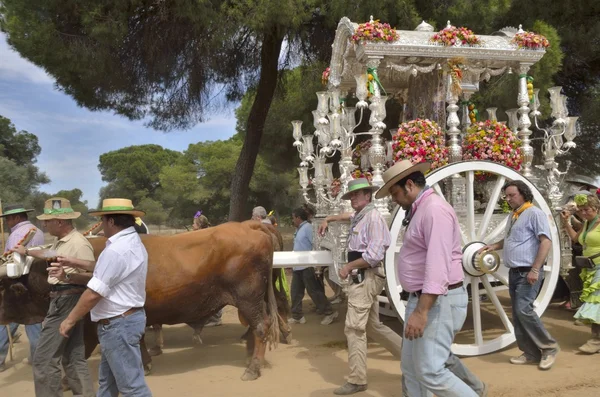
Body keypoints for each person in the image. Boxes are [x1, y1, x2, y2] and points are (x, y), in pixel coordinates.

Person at [376, 160, 485, 397]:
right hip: (423, 300)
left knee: (430, 371)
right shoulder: (420, 210)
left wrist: (421, 311)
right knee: (412, 369)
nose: (394, 199)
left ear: (409, 185)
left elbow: (438, 266)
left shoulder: (434, 210)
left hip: (437, 302)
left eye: (395, 193)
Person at [318, 178, 403, 395]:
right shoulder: (360, 215)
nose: (352, 198)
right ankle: (412, 358)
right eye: (351, 196)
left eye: (356, 195)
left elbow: (374, 255)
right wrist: (329, 218)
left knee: (354, 328)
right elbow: (347, 216)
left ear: (368, 195)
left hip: (365, 276)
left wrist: (348, 267)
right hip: (364, 277)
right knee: (374, 326)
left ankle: (357, 379)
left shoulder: (373, 218)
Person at [59, 198, 151, 397]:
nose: (100, 224)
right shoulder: (131, 242)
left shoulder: (116, 250)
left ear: (110, 222)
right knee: (107, 385)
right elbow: (104, 268)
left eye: (102, 220)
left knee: (133, 388)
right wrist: (71, 262)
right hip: (124, 321)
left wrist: (69, 320)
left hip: (118, 325)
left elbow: (93, 293)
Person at [13, 198, 95, 396]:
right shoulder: (64, 241)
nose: (43, 224)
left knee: (43, 359)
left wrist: (66, 276)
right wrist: (27, 252)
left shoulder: (79, 244)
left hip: (65, 299)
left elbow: (94, 274)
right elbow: (50, 253)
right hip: (67, 298)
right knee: (74, 357)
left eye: (47, 221)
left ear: (60, 222)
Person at [480, 180, 559, 369]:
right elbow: (512, 239)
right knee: (517, 314)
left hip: (528, 272)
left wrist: (535, 269)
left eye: (512, 195)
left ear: (523, 194)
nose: (508, 199)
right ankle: (530, 353)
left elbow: (545, 242)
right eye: (506, 196)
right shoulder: (514, 216)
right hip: (515, 272)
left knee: (524, 310)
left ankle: (549, 348)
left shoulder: (534, 213)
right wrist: (495, 246)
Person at [0, 204, 45, 372]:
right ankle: (37, 357)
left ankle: (0, 359)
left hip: (17, 282)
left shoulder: (16, 235)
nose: (6, 222)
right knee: (33, 319)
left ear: (17, 218)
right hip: (36, 281)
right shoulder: (37, 231)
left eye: (8, 218)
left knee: (6, 317)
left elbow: (9, 261)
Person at [561, 193, 600, 353]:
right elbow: (576, 239)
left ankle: (596, 341)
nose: (584, 213)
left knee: (595, 302)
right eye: (581, 210)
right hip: (590, 269)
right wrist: (566, 222)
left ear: (596, 208)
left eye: (587, 210)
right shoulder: (587, 224)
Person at [289, 206, 337, 325]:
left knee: (314, 292)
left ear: (299, 218)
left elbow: (315, 245)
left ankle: (329, 313)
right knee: (295, 292)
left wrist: (317, 265)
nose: (292, 220)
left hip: (307, 266)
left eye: (293, 218)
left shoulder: (308, 228)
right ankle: (297, 316)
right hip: (298, 266)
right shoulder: (300, 229)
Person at [192, 211, 221, 327]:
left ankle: (215, 318)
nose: (192, 226)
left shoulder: (204, 236)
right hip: (206, 268)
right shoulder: (206, 234)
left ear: (199, 226)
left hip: (210, 268)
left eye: (194, 224)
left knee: (213, 293)